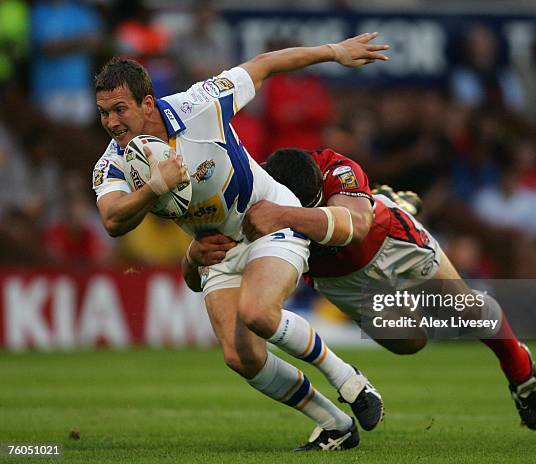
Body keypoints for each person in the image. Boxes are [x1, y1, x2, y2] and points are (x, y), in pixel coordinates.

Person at [92, 33, 389, 451]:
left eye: (120, 110)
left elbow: (264, 63)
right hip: (216, 248)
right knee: (240, 356)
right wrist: (155, 189)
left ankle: (350, 380)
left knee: (258, 312)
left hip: (266, 218)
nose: (112, 123)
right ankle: (335, 423)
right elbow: (112, 219)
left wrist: (335, 52)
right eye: (104, 113)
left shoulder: (200, 105)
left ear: (147, 104)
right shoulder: (112, 162)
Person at [196, 147, 536, 431]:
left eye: (317, 202)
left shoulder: (337, 168)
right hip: (340, 281)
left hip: (390, 243)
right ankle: (386, 198)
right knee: (410, 342)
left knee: (463, 309)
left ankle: (520, 368)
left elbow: (358, 226)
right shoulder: (256, 192)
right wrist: (193, 256)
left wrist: (285, 217)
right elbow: (211, 263)